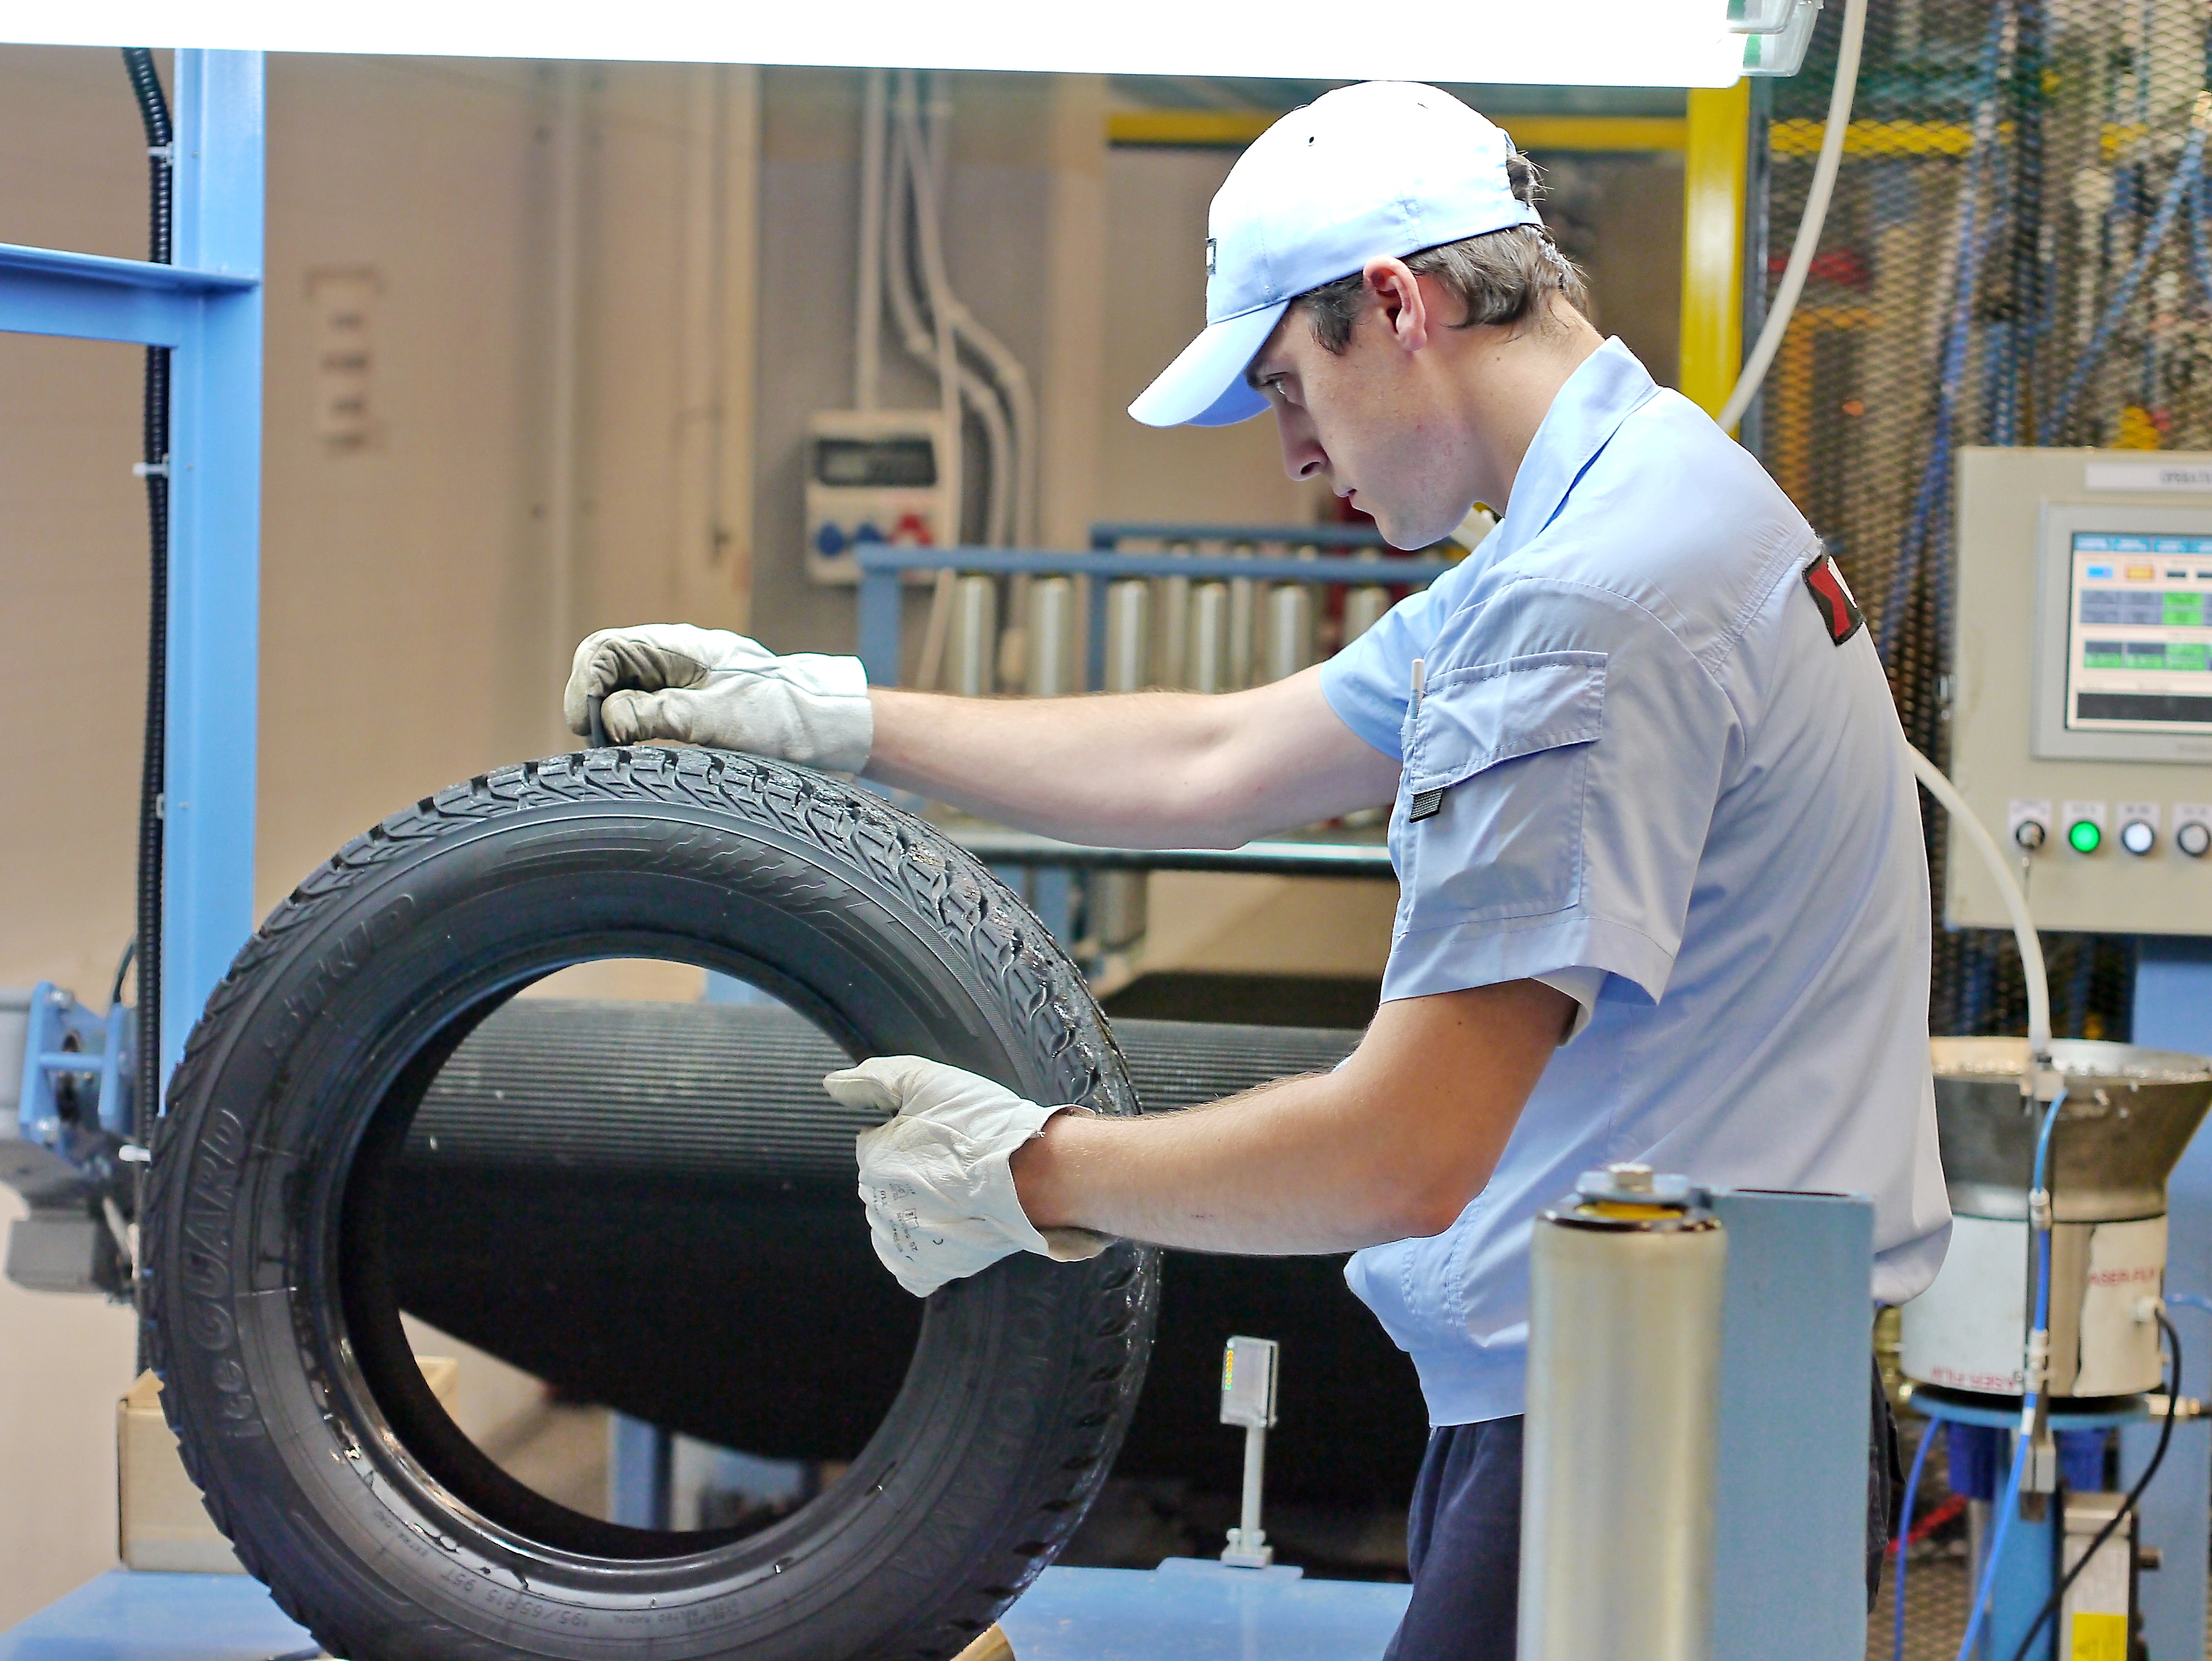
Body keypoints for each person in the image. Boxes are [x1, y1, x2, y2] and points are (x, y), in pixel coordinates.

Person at [562, 80, 1948, 1659]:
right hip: (1669, 1391)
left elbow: (1407, 1149)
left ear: (1398, 304)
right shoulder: (1634, 510)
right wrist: (834, 713)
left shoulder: (1591, 605)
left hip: (1641, 1427)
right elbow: (1218, 760)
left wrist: (1032, 1177)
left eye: (1292, 386)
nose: (1295, 453)